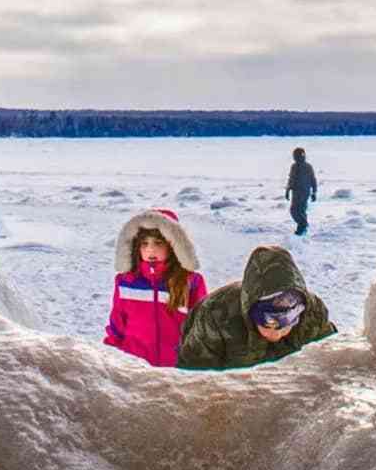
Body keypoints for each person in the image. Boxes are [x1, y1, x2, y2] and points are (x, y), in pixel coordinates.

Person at [177, 244, 335, 370]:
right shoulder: (216, 314)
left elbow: (331, 359)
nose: (278, 334)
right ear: (250, 313)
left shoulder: (313, 311)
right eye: (269, 324)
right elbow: (193, 378)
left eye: (289, 322)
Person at [104, 208, 208, 367]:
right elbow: (117, 323)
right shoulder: (126, 281)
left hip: (176, 367)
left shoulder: (190, 281)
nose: (150, 250)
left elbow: (201, 326)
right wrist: (109, 355)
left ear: (173, 246)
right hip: (134, 365)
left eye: (158, 243)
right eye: (144, 244)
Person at [285, 146, 318, 235]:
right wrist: (288, 190)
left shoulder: (307, 167)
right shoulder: (294, 166)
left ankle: (302, 226)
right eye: (294, 156)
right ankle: (302, 226)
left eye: (296, 156)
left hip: (304, 192)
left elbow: (313, 179)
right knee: (296, 210)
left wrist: (314, 192)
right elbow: (291, 178)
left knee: (298, 210)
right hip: (296, 192)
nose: (294, 158)